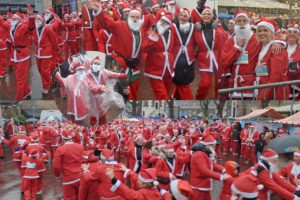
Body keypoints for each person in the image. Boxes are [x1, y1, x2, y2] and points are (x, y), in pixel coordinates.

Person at [89, 1, 144, 100]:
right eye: (133, 17)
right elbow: (106, 23)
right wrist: (99, 11)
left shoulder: (141, 30)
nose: (135, 19)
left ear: (140, 19)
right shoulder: (120, 25)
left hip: (135, 67)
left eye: (137, 17)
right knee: (124, 90)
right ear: (128, 18)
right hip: (122, 63)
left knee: (134, 89)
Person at [0, 5, 35, 100]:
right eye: (12, 18)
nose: (13, 19)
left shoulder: (23, 27)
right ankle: (27, 92)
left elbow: (31, 27)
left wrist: (31, 15)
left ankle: (18, 98)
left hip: (23, 54)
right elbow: (2, 22)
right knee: (20, 76)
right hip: (15, 54)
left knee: (20, 79)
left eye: (15, 18)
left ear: (19, 20)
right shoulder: (10, 26)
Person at [255, 18, 290, 100]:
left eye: (265, 30)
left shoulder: (276, 48)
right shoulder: (262, 46)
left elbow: (276, 76)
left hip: (275, 92)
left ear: (271, 32)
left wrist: (264, 95)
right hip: (263, 87)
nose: (262, 33)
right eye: (259, 31)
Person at [143, 12, 175, 100]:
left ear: (169, 24)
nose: (162, 22)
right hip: (155, 66)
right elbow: (145, 48)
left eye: (166, 22)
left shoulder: (171, 33)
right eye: (162, 20)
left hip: (168, 66)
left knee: (167, 90)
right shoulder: (151, 31)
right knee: (161, 94)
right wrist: (152, 38)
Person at [194, 7, 223, 99]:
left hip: (216, 58)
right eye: (204, 14)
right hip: (204, 59)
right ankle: (199, 98)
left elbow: (224, 40)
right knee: (205, 83)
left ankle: (217, 98)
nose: (206, 16)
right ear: (201, 16)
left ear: (212, 17)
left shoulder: (217, 29)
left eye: (208, 14)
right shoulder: (197, 30)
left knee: (218, 82)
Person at [31, 14, 60, 95]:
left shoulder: (48, 28)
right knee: (40, 70)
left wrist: (57, 49)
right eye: (36, 19)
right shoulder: (35, 30)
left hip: (46, 53)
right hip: (38, 53)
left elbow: (53, 40)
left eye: (39, 19)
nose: (37, 20)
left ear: (43, 20)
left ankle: (46, 86)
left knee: (45, 71)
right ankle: (48, 80)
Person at [52, 130, 84, 200]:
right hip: (80, 175)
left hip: (68, 177)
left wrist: (57, 175)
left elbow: (56, 166)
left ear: (63, 138)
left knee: (69, 198)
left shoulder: (60, 149)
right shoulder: (80, 146)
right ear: (71, 137)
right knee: (80, 196)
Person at [172, 8, 195, 100]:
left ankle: (178, 98)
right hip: (176, 59)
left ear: (188, 18)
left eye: (185, 16)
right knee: (181, 82)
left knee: (183, 82)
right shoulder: (173, 26)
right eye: (180, 15)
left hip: (188, 59)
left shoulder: (193, 27)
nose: (182, 17)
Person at [285, 24, 300, 99]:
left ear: (298, 35)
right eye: (290, 31)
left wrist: (296, 68)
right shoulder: (280, 47)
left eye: (295, 32)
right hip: (280, 84)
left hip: (294, 87)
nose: (292, 34)